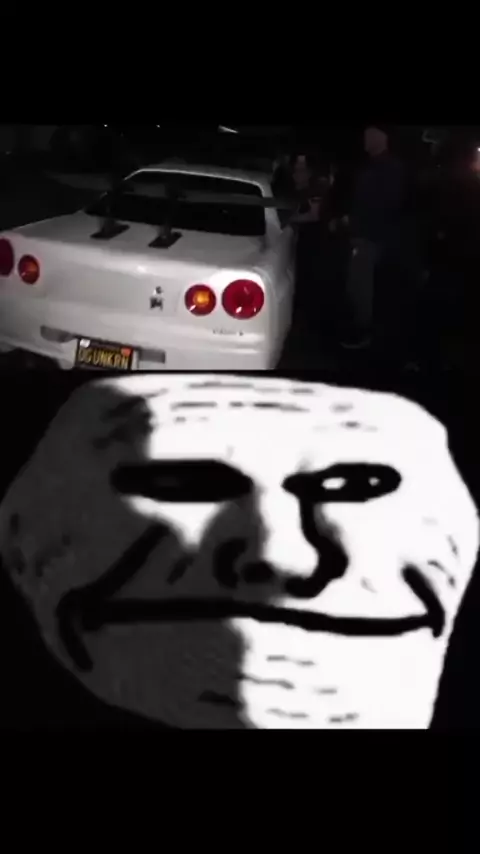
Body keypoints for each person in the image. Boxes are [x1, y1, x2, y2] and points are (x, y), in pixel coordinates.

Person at [337, 125, 408, 350]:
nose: (365, 139)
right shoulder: (370, 166)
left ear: (381, 137)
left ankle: (363, 333)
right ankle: (362, 329)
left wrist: (357, 223)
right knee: (358, 286)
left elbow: (387, 206)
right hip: (364, 236)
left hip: (372, 238)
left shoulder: (390, 168)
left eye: (369, 135)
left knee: (362, 289)